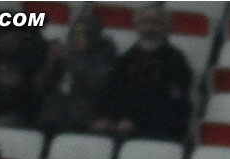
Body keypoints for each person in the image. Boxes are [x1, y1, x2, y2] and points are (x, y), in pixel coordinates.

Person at [94, 3, 193, 142]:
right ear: (137, 25)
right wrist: (106, 116)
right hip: (122, 123)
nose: (149, 27)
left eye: (156, 22)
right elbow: (111, 90)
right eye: (145, 22)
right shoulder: (125, 59)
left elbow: (173, 103)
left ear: (166, 27)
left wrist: (136, 121)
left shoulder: (176, 62)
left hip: (156, 126)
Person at [35, 11, 117, 135]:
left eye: (82, 33)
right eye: (74, 33)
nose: (77, 38)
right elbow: (40, 87)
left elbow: (95, 84)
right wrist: (50, 64)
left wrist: (71, 60)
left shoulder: (105, 55)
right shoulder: (65, 54)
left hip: (84, 117)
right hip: (52, 116)